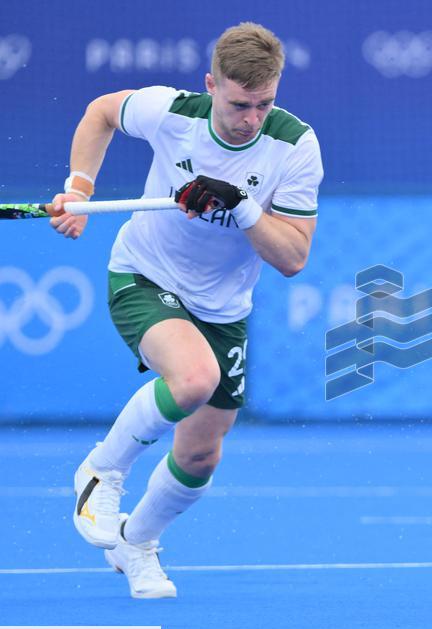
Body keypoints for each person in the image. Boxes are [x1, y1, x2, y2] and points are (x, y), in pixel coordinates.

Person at [49, 22, 323, 598]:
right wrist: (79, 186)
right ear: (210, 85)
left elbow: (294, 257)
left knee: (200, 455)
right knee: (196, 378)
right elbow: (100, 112)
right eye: (238, 103)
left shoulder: (295, 146)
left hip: (223, 306)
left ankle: (137, 543)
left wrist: (244, 206)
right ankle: (102, 471)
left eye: (264, 103)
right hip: (145, 274)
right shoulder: (172, 111)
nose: (250, 117)